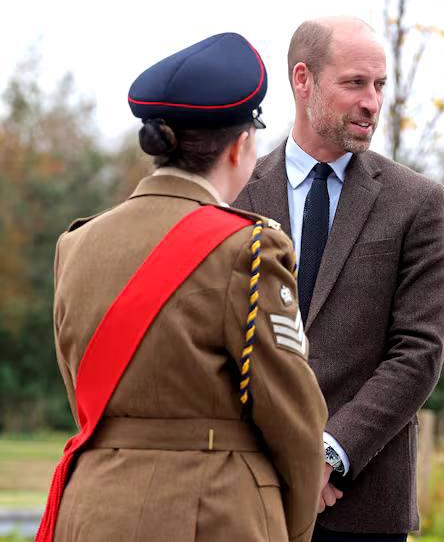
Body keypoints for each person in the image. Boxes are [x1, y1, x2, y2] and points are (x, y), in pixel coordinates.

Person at [39, 33, 327, 542]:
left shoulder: (77, 244)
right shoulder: (250, 248)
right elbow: (295, 421)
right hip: (213, 514)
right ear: (241, 146)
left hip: (90, 512)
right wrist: (295, 528)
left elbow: (87, 398)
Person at [234, 16, 444, 542]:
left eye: (379, 86)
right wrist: (287, 457)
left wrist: (330, 455)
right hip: (247, 493)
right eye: (355, 83)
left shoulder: (417, 202)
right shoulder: (235, 196)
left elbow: (419, 351)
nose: (372, 102)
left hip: (364, 502)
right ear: (302, 79)